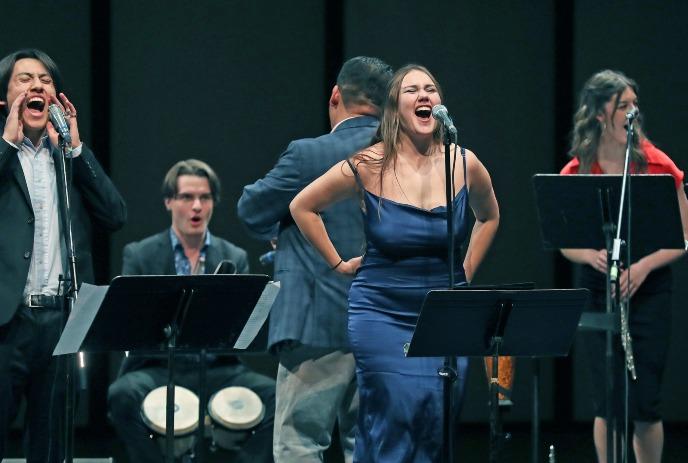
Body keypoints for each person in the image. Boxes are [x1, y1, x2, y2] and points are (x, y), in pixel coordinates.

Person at [290, 64, 499, 462]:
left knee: (436, 419)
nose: (424, 96)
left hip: (445, 315)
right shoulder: (368, 163)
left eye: (431, 89)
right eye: (412, 90)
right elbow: (303, 206)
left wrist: (465, 273)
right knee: (394, 415)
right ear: (393, 108)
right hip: (382, 312)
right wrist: (337, 263)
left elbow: (489, 217)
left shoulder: (463, 163)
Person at [237, 56, 392, 461]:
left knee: (300, 443)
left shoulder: (308, 155)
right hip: (387, 326)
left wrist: (285, 231)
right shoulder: (406, 157)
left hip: (315, 323)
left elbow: (251, 209)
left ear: (336, 96)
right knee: (372, 447)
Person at [0, 48, 127, 461]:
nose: (37, 85)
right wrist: (6, 143)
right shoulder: (2, 156)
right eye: (24, 79)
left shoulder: (67, 161)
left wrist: (76, 148)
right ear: (5, 99)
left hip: (61, 322)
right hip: (6, 323)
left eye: (46, 80)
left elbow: (114, 214)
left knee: (54, 448)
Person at [107, 159, 275, 463]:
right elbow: (131, 327)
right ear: (169, 201)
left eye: (205, 197)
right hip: (157, 369)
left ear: (213, 203)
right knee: (121, 395)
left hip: (217, 369)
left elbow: (240, 328)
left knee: (276, 397)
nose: (196, 206)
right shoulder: (140, 253)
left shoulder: (233, 256)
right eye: (186, 197)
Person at [560, 70, 688, 463]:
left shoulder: (655, 165)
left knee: (645, 400)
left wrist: (644, 266)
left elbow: (682, 237)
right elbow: (566, 242)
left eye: (635, 104)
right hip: (600, 287)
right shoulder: (579, 168)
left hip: (647, 289)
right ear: (600, 113)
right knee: (608, 401)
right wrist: (588, 255)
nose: (633, 112)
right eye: (623, 105)